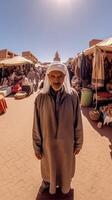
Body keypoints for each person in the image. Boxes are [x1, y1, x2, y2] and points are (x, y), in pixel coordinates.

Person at [32, 61, 83, 196]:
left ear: (65, 77)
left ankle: (65, 186)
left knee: (65, 168)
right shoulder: (40, 98)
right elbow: (36, 124)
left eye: (60, 76)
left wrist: (78, 143)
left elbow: (78, 122)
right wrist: (37, 146)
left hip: (67, 144)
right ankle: (47, 183)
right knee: (48, 167)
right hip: (47, 144)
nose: (56, 80)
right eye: (53, 76)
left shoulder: (73, 96)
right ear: (48, 77)